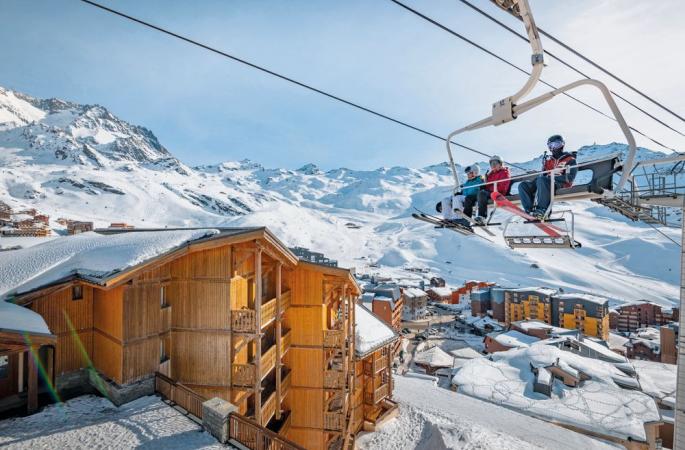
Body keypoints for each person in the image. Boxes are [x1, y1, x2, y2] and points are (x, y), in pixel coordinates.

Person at [518, 135, 577, 218]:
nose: (553, 148)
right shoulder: (548, 161)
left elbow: (570, 178)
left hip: (560, 183)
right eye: (551, 146)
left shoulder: (570, 159)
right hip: (545, 182)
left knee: (542, 180)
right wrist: (540, 174)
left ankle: (543, 209)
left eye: (556, 144)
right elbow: (543, 175)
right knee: (523, 185)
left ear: (562, 145)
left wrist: (550, 178)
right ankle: (529, 210)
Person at [474, 155, 511, 224]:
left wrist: (489, 188)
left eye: (495, 163)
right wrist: (485, 181)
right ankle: (474, 213)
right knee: (480, 191)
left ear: (500, 164)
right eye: (491, 163)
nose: (493, 165)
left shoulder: (504, 172)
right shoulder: (491, 174)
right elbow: (488, 185)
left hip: (499, 193)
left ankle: (482, 216)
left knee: (482, 193)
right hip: (491, 192)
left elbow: (502, 187)